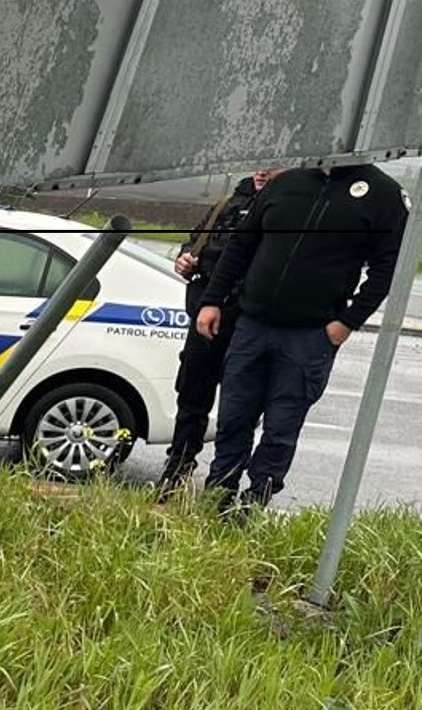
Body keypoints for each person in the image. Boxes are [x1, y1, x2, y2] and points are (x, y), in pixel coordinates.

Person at [193, 161, 410, 515]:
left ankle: (254, 504)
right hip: (253, 326)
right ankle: (218, 497)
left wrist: (347, 323)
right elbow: (242, 246)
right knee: (233, 419)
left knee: (280, 429)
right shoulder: (287, 183)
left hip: (310, 336)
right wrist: (212, 300)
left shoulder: (382, 194)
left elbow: (389, 268)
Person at [155, 167, 280, 497]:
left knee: (240, 407)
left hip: (246, 319)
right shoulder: (228, 202)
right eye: (262, 163)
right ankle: (177, 467)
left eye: (276, 165)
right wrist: (185, 260)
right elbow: (196, 240)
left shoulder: (286, 207)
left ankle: (223, 485)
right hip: (205, 313)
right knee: (191, 395)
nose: (264, 171)